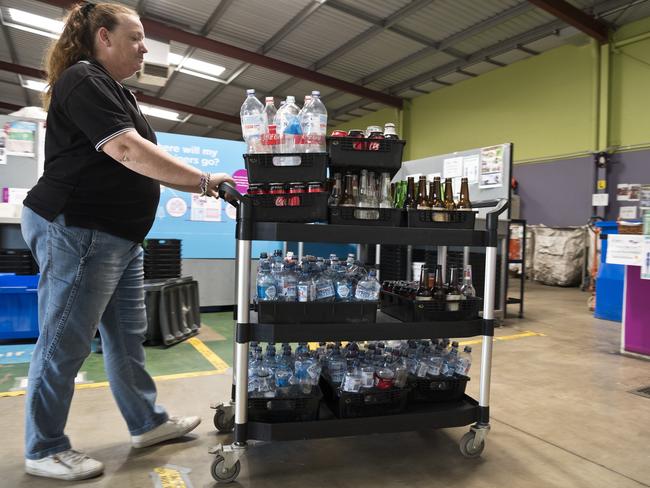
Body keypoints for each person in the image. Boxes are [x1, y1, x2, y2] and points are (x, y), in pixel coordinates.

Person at [20, 2, 235, 481]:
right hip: (78, 229)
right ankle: (44, 446)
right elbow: (126, 149)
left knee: (126, 337)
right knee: (64, 343)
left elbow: (137, 152)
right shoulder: (83, 78)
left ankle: (147, 423)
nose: (144, 48)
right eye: (136, 37)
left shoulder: (115, 90)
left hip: (116, 238)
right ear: (103, 37)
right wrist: (205, 182)